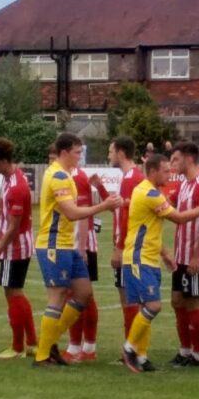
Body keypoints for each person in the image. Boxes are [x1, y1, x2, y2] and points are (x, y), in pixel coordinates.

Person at [120, 154, 199, 373]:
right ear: (153, 171)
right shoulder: (149, 193)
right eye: (166, 170)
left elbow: (148, 228)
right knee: (153, 306)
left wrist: (165, 254)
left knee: (148, 306)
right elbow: (178, 218)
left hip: (149, 258)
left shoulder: (149, 191)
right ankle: (129, 349)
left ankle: (141, 356)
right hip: (139, 259)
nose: (170, 173)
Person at [32, 133, 121, 366]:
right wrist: (103, 206)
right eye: (77, 152)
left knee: (83, 292)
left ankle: (49, 342)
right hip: (54, 244)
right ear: (64, 152)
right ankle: (43, 355)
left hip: (67, 244)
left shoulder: (65, 174)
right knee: (58, 296)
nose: (80, 156)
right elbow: (71, 212)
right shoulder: (59, 176)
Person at [0, 138, 38, 360]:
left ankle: (17, 347)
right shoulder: (10, 178)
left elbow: (13, 227)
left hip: (15, 247)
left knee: (12, 293)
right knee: (16, 292)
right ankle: (31, 342)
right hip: (14, 245)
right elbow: (5, 223)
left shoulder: (16, 187)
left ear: (3, 161)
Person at [167, 143, 199, 368]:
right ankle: (184, 350)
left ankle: (197, 355)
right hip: (180, 256)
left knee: (194, 302)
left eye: (175, 159)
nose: (172, 164)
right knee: (177, 301)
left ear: (188, 159)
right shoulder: (184, 185)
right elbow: (168, 205)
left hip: (195, 257)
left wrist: (196, 256)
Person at [64, 149, 107, 363]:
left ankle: (81, 347)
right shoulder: (67, 177)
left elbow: (82, 212)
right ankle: (83, 347)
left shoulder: (76, 177)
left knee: (80, 295)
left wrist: (80, 249)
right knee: (80, 295)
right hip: (73, 242)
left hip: (81, 243)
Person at [109, 136, 145, 340]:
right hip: (131, 245)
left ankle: (132, 348)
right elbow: (119, 209)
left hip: (129, 247)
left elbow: (127, 216)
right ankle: (132, 347)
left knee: (129, 300)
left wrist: (119, 247)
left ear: (121, 153)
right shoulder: (131, 176)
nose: (109, 155)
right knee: (130, 299)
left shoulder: (131, 179)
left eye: (111, 151)